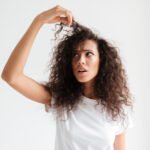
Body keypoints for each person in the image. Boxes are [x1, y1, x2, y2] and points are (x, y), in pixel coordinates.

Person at [1, 5, 133, 150]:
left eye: (88, 54)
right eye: (75, 55)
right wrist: (38, 21)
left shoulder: (117, 108)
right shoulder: (61, 99)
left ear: (102, 62)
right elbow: (11, 76)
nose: (80, 60)